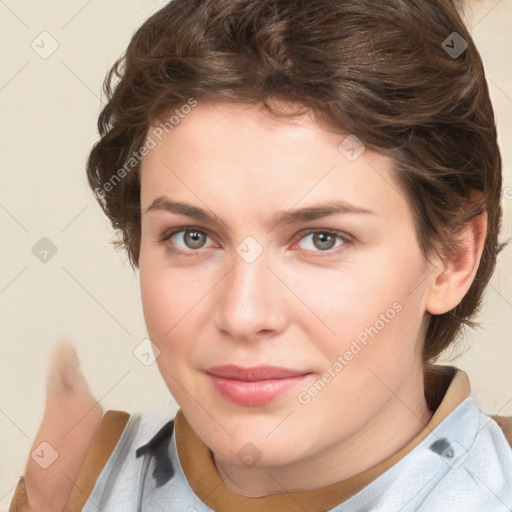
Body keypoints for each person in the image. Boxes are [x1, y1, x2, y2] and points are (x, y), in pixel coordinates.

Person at [9, 0, 512, 510]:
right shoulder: (71, 483)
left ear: (452, 257)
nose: (244, 315)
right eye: (192, 237)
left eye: (322, 239)